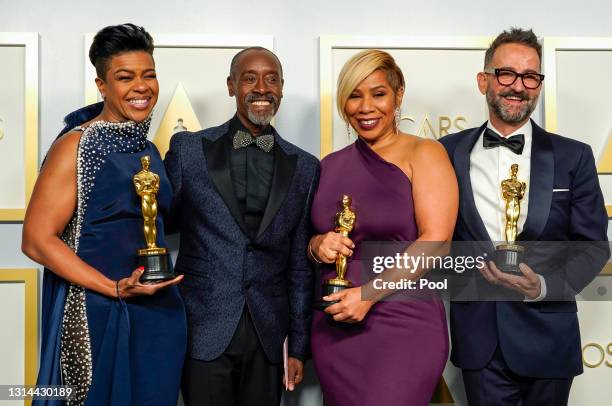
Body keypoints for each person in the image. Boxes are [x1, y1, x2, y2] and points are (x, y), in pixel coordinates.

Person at [440, 28, 609, 406]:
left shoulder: (574, 157)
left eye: (530, 76)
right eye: (507, 74)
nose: (519, 86)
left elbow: (594, 246)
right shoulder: (445, 153)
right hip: (479, 339)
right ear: (483, 80)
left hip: (549, 334)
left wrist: (544, 287)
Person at [22, 24, 186, 406]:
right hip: (99, 310)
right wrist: (112, 288)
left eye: (149, 75)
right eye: (125, 77)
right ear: (102, 85)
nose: (142, 87)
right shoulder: (78, 145)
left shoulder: (147, 147)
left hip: (157, 313)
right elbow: (36, 239)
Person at [164, 47, 320, 406]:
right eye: (250, 78)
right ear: (231, 85)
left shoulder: (305, 167)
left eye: (272, 78)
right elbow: (158, 225)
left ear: (282, 88)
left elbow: (299, 265)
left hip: (268, 337)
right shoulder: (189, 151)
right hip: (202, 331)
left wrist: (297, 345)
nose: (262, 87)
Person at [308, 49, 458, 406]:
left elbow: (438, 241)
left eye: (378, 94)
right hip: (336, 327)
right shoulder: (328, 166)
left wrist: (368, 294)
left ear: (398, 94)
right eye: (354, 96)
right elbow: (312, 237)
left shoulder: (425, 153)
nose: (365, 107)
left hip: (403, 325)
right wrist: (316, 245)